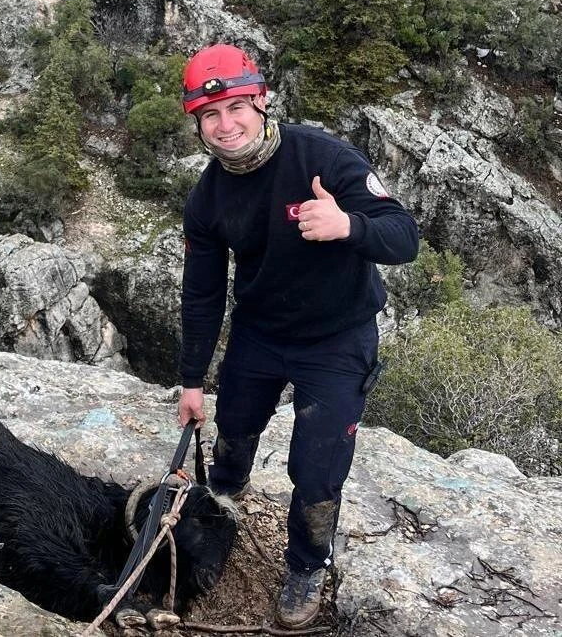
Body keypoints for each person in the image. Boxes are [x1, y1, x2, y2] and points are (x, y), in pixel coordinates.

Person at [175, 43, 418, 629]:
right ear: (198, 124)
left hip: (337, 338)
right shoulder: (208, 197)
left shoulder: (323, 158)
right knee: (232, 436)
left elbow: (403, 235)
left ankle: (307, 564)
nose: (225, 125)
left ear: (261, 101)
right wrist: (190, 381)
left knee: (316, 468)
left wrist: (346, 225)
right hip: (260, 332)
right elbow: (203, 294)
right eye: (211, 115)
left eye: (236, 107)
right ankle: (221, 513)